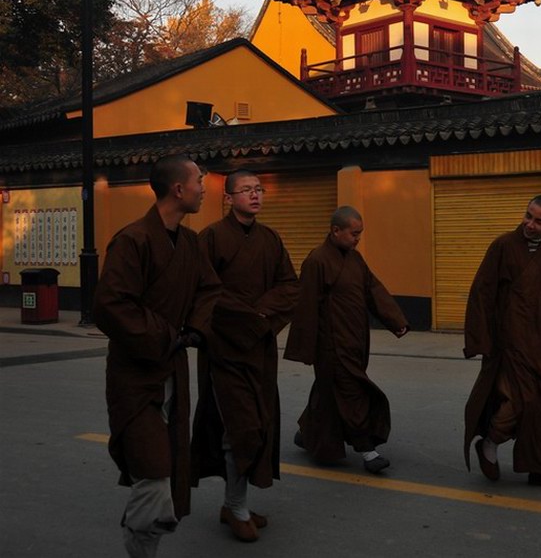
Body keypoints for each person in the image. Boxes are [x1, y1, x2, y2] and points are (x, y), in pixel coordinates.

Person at [93, 155, 221, 557]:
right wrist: (168, 334)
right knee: (152, 469)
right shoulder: (133, 240)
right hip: (136, 375)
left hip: (173, 371)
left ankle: (144, 538)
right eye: (200, 180)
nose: (205, 187)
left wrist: (197, 329)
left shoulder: (190, 242)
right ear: (178, 189)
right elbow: (112, 306)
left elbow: (209, 290)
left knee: (167, 465)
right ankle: (141, 546)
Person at [190, 170, 299, 543]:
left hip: (260, 349)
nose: (255, 195)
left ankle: (233, 503)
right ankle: (236, 508)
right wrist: (250, 317)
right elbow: (204, 291)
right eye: (246, 190)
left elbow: (289, 285)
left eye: (259, 189)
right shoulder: (212, 238)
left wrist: (262, 313)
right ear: (228, 198)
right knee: (240, 428)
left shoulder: (270, 238)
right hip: (225, 350)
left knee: (258, 424)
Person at [284, 205, 410, 473]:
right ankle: (366, 449)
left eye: (360, 234)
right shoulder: (317, 261)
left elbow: (373, 290)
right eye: (354, 234)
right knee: (353, 394)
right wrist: (307, 349)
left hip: (355, 342)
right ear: (335, 231)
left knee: (328, 393)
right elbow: (306, 307)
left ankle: (307, 433)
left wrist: (395, 321)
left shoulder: (355, 260)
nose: (357, 239)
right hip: (331, 345)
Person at [463, 194, 541, 489]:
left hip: (538, 341)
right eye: (528, 216)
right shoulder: (503, 246)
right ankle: (489, 443)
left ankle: (540, 469)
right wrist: (479, 339)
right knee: (521, 401)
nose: (530, 224)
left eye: (539, 221)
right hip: (508, 341)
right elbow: (481, 293)